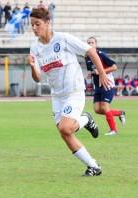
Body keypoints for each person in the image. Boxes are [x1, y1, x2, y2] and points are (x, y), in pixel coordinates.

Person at [27, 8, 112, 176]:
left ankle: (86, 121)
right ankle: (93, 165)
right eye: (32, 25)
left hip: (74, 91)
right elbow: (37, 78)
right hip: (57, 96)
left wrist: (102, 73)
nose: (35, 28)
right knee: (64, 132)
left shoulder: (63, 39)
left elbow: (90, 51)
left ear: (48, 23)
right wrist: (31, 67)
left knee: (66, 128)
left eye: (38, 24)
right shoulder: (35, 48)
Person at [85, 37, 125, 136]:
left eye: (92, 42)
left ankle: (113, 130)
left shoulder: (101, 55)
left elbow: (114, 67)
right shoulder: (87, 57)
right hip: (97, 86)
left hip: (107, 84)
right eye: (88, 42)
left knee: (105, 107)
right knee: (98, 110)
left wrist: (101, 72)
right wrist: (92, 74)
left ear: (96, 44)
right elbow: (95, 71)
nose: (90, 44)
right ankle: (120, 113)